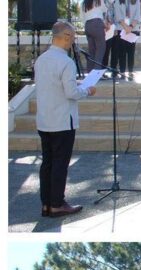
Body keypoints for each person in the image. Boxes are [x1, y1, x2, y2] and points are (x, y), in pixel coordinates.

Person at [34, 22, 97, 218]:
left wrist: (76, 86)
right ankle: (57, 204)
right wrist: (87, 90)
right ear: (66, 36)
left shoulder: (41, 59)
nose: (73, 41)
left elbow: (53, 86)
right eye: (72, 37)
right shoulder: (66, 62)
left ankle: (46, 204)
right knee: (60, 164)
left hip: (45, 119)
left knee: (48, 164)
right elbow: (71, 93)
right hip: (62, 120)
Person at [113, 0, 141, 80]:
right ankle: (122, 72)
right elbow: (118, 16)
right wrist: (126, 27)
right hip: (121, 29)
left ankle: (130, 71)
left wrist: (131, 27)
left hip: (133, 29)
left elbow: (137, 16)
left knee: (131, 52)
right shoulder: (117, 2)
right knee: (122, 52)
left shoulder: (136, 2)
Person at [81, 0, 109, 70]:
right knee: (100, 49)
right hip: (97, 24)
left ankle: (90, 73)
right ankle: (96, 73)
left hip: (87, 25)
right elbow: (105, 9)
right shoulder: (98, 1)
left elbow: (82, 18)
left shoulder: (83, 3)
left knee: (91, 51)